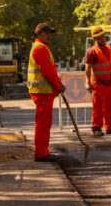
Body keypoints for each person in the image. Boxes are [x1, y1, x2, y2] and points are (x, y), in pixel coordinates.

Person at [27, 22, 65, 162]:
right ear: (39, 34)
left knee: (45, 122)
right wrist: (57, 85)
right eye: (47, 33)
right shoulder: (41, 48)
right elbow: (47, 71)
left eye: (50, 33)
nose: (50, 36)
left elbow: (49, 70)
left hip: (44, 90)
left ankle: (43, 150)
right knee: (43, 123)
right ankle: (41, 152)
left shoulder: (42, 47)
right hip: (42, 91)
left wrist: (57, 85)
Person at [84, 26, 111, 137]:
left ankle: (109, 127)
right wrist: (87, 82)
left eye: (102, 37)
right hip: (98, 83)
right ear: (95, 39)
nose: (102, 39)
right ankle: (96, 128)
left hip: (110, 82)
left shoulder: (110, 49)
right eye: (98, 37)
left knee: (109, 106)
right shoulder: (92, 51)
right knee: (98, 107)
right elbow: (87, 68)